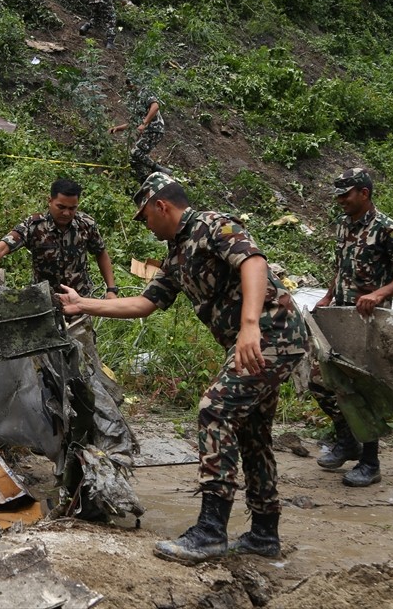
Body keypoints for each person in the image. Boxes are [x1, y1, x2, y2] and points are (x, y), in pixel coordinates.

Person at [57, 173, 309, 563]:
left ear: (161, 206)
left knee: (215, 411)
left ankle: (210, 532)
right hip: (256, 342)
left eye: (145, 216)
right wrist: (82, 304)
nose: (145, 225)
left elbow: (253, 262)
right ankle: (264, 533)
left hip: (273, 333)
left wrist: (249, 325)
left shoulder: (211, 224)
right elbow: (144, 304)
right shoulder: (176, 255)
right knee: (252, 432)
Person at [311, 167, 393, 487]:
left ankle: (370, 463)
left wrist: (379, 294)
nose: (340, 200)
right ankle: (347, 441)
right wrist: (328, 295)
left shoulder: (387, 228)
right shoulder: (344, 225)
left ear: (364, 193)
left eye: (346, 195)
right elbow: (341, 266)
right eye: (338, 195)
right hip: (340, 317)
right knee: (321, 381)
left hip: (369, 322)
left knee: (364, 389)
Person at [0, 178, 118, 301]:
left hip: (80, 299)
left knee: (81, 338)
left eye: (72, 208)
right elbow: (2, 248)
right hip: (45, 300)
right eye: (61, 207)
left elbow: (101, 252)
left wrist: (111, 289)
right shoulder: (34, 226)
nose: (66, 213)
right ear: (50, 201)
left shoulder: (86, 224)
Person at [110, 77, 166, 182]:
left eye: (131, 86)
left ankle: (159, 169)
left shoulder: (145, 92)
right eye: (129, 87)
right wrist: (117, 128)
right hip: (149, 130)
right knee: (135, 159)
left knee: (136, 152)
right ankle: (143, 179)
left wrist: (144, 123)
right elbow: (133, 124)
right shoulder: (137, 102)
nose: (131, 89)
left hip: (155, 129)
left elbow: (155, 106)